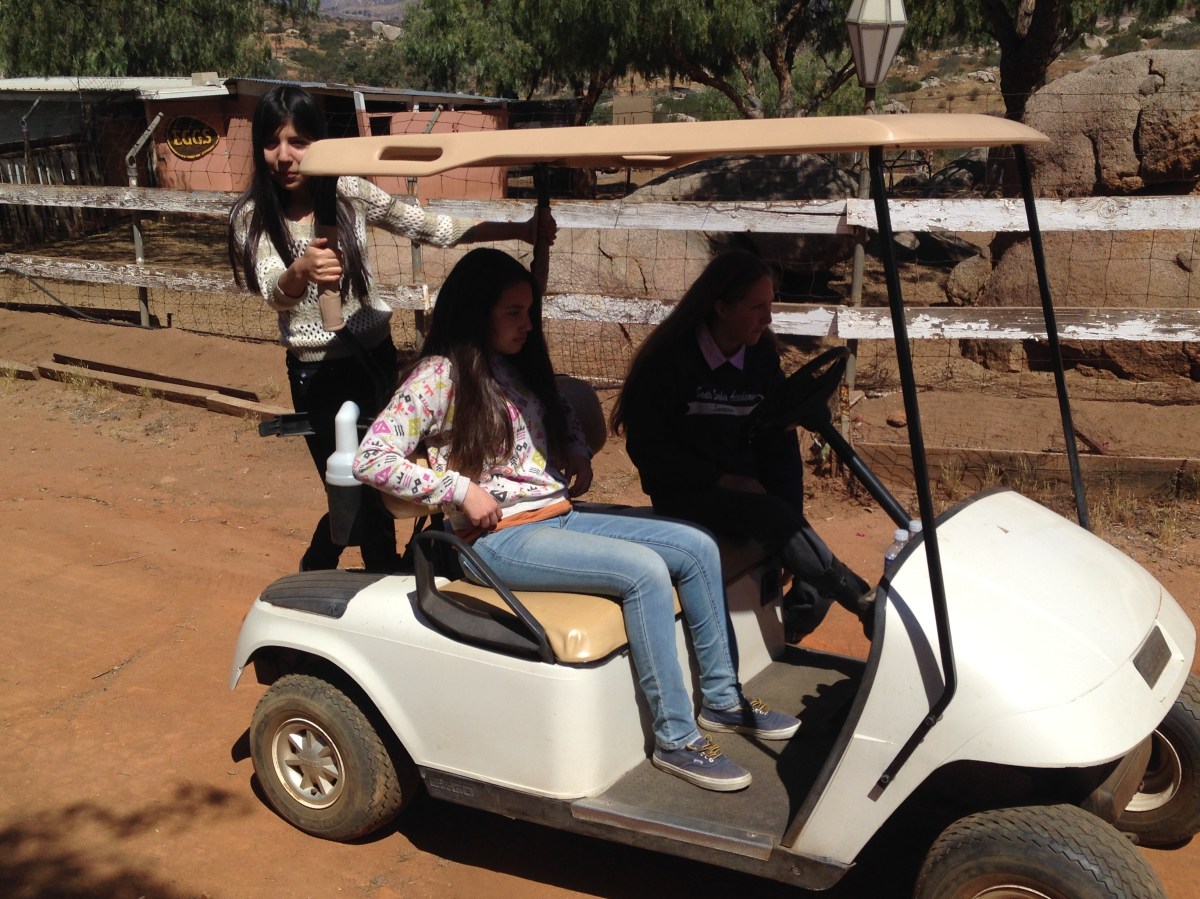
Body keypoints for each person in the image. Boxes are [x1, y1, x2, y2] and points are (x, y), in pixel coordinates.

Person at [353, 247, 799, 792]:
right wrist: (459, 489)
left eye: (529, 312)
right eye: (513, 313)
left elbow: (559, 408)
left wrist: (577, 448)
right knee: (645, 572)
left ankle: (723, 700)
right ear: (476, 312)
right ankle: (676, 738)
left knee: (695, 544)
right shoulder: (437, 376)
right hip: (495, 538)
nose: (527, 324)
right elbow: (371, 459)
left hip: (556, 515)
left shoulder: (517, 364)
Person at [228, 84, 552, 573]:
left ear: (321, 144)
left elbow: (428, 226)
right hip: (317, 377)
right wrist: (302, 270)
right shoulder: (252, 217)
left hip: (375, 362)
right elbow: (273, 287)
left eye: (298, 142)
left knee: (392, 482)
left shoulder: (349, 192)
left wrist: (520, 230)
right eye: (272, 143)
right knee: (352, 489)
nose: (284, 156)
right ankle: (336, 569)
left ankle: (379, 569)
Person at [610, 249, 873, 642]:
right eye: (757, 307)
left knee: (814, 587)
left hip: (751, 499)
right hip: (686, 494)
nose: (768, 319)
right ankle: (863, 601)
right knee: (778, 525)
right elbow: (649, 451)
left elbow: (779, 447)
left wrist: (791, 518)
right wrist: (723, 479)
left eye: (770, 305)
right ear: (721, 307)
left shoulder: (761, 359)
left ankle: (778, 641)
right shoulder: (669, 363)